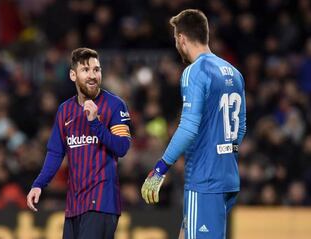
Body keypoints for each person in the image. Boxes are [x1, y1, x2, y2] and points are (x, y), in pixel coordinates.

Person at [141, 9, 246, 239]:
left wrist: (160, 168)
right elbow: (241, 128)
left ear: (181, 38)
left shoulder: (195, 72)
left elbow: (188, 128)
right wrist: (222, 152)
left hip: (205, 180)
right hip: (227, 177)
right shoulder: (235, 73)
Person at [27, 48, 131, 239]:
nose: (92, 76)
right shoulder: (65, 110)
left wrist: (95, 123)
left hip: (102, 202)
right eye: (86, 70)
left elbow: (122, 147)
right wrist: (39, 184)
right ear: (73, 75)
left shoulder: (115, 105)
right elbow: (55, 153)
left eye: (96, 70)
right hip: (74, 205)